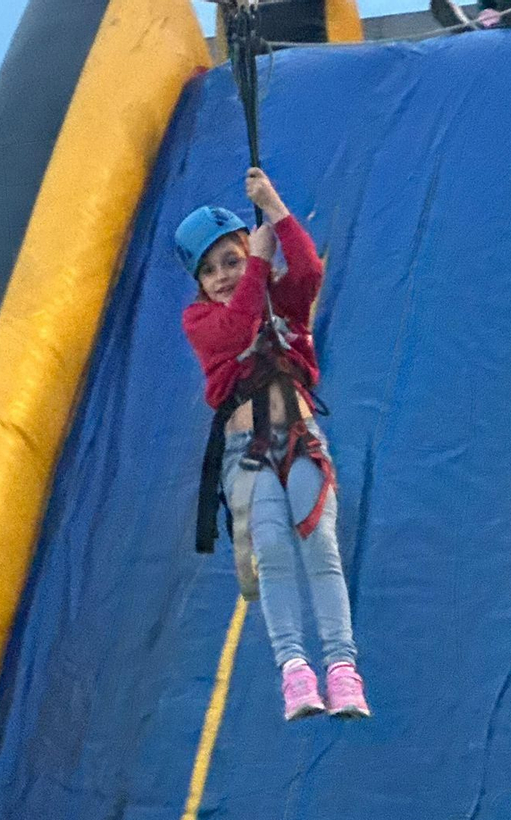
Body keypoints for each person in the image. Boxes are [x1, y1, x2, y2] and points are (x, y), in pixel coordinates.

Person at [177, 169, 371, 722]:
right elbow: (238, 333)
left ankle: (341, 667)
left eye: (231, 261)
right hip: (249, 456)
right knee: (275, 555)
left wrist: (274, 208)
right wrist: (257, 263)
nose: (222, 277)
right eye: (209, 270)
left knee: (321, 550)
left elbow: (308, 270)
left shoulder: (281, 302)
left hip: (301, 442)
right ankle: (294, 670)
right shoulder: (201, 321)